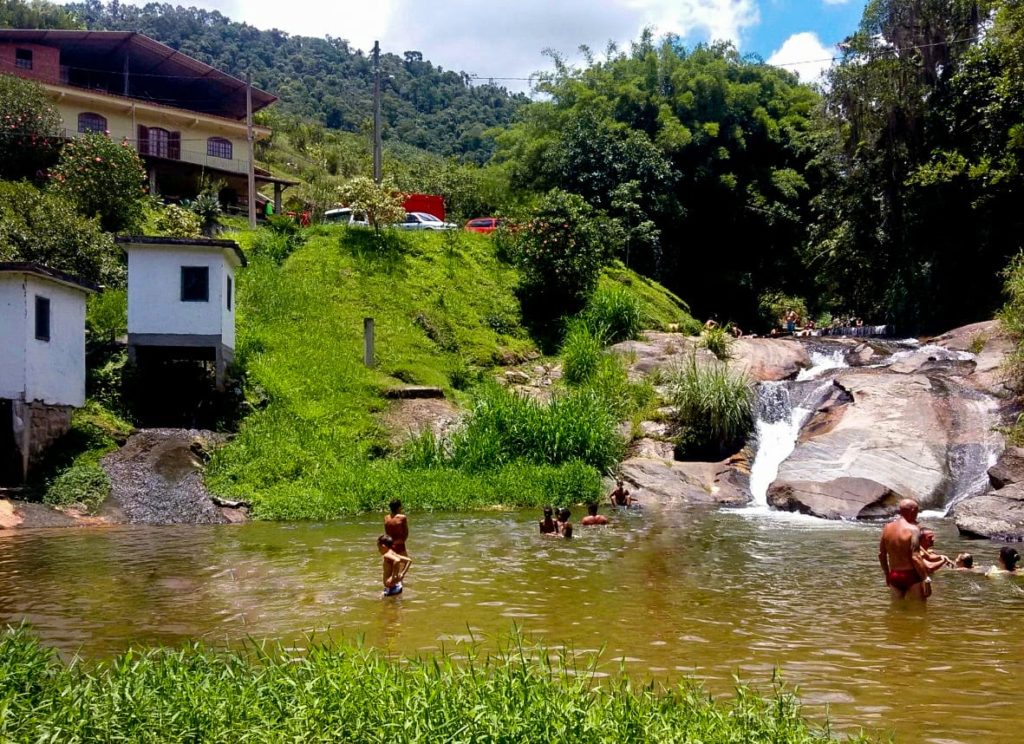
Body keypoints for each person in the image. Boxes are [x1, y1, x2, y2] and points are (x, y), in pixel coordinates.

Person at [879, 498, 929, 600]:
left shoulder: (887, 528)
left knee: (896, 610)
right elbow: (915, 557)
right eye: (917, 511)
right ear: (912, 511)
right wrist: (926, 578)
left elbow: (881, 554)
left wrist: (887, 574)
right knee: (919, 611)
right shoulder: (914, 529)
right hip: (911, 575)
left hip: (894, 575)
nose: (917, 514)